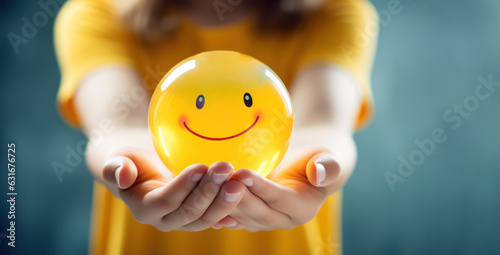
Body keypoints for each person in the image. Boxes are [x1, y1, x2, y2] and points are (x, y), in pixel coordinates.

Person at [54, 0, 378, 254]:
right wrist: (121, 155)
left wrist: (323, 156)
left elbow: (323, 123)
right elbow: (116, 128)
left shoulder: (335, 13)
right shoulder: (95, 15)